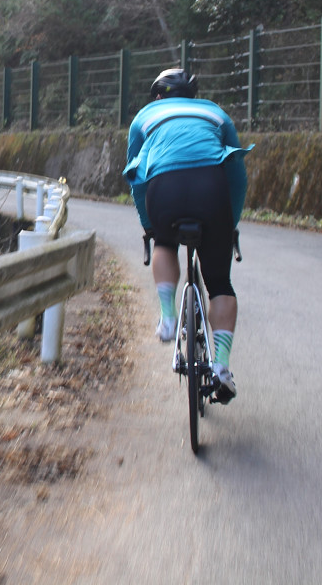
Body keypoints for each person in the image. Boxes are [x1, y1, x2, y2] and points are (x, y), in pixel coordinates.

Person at [123, 68, 251, 402]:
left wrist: (149, 225)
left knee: (164, 242)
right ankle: (221, 365)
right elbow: (237, 174)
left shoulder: (145, 118)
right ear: (193, 96)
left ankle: (167, 317)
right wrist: (229, 222)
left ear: (158, 97)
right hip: (212, 190)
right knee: (220, 283)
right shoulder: (215, 113)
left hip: (165, 190)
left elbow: (136, 176)